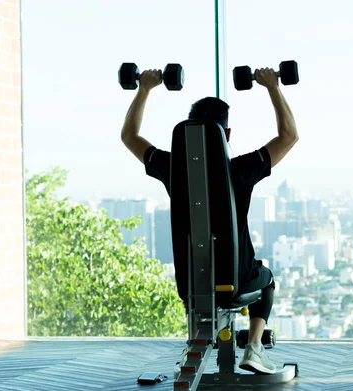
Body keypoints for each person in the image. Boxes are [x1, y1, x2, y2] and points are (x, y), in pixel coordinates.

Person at [120, 68, 299, 374]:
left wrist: (145, 89)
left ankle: (194, 342)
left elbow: (130, 136)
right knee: (266, 279)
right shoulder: (241, 169)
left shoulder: (171, 167)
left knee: (200, 286)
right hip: (237, 279)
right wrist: (272, 86)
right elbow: (289, 136)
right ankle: (254, 348)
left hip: (190, 283)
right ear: (226, 136)